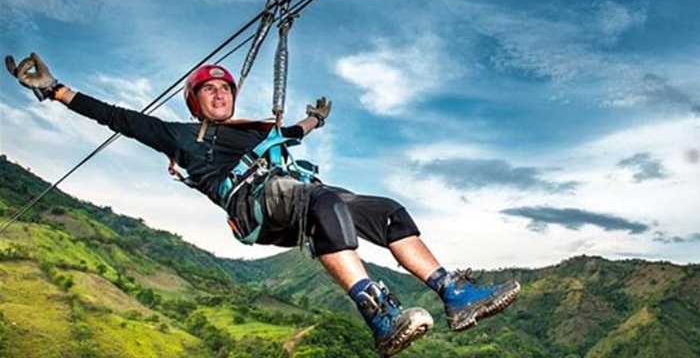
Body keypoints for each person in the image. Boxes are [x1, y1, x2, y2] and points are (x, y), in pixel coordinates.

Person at [5, 52, 521, 357]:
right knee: (322, 200)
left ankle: (453, 293)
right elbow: (116, 117)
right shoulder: (181, 138)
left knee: (385, 209)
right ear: (196, 102)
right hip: (257, 205)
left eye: (223, 89)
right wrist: (55, 90)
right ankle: (378, 312)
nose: (218, 95)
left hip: (294, 196)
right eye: (208, 91)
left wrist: (314, 120)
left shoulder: (258, 133)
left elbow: (293, 133)